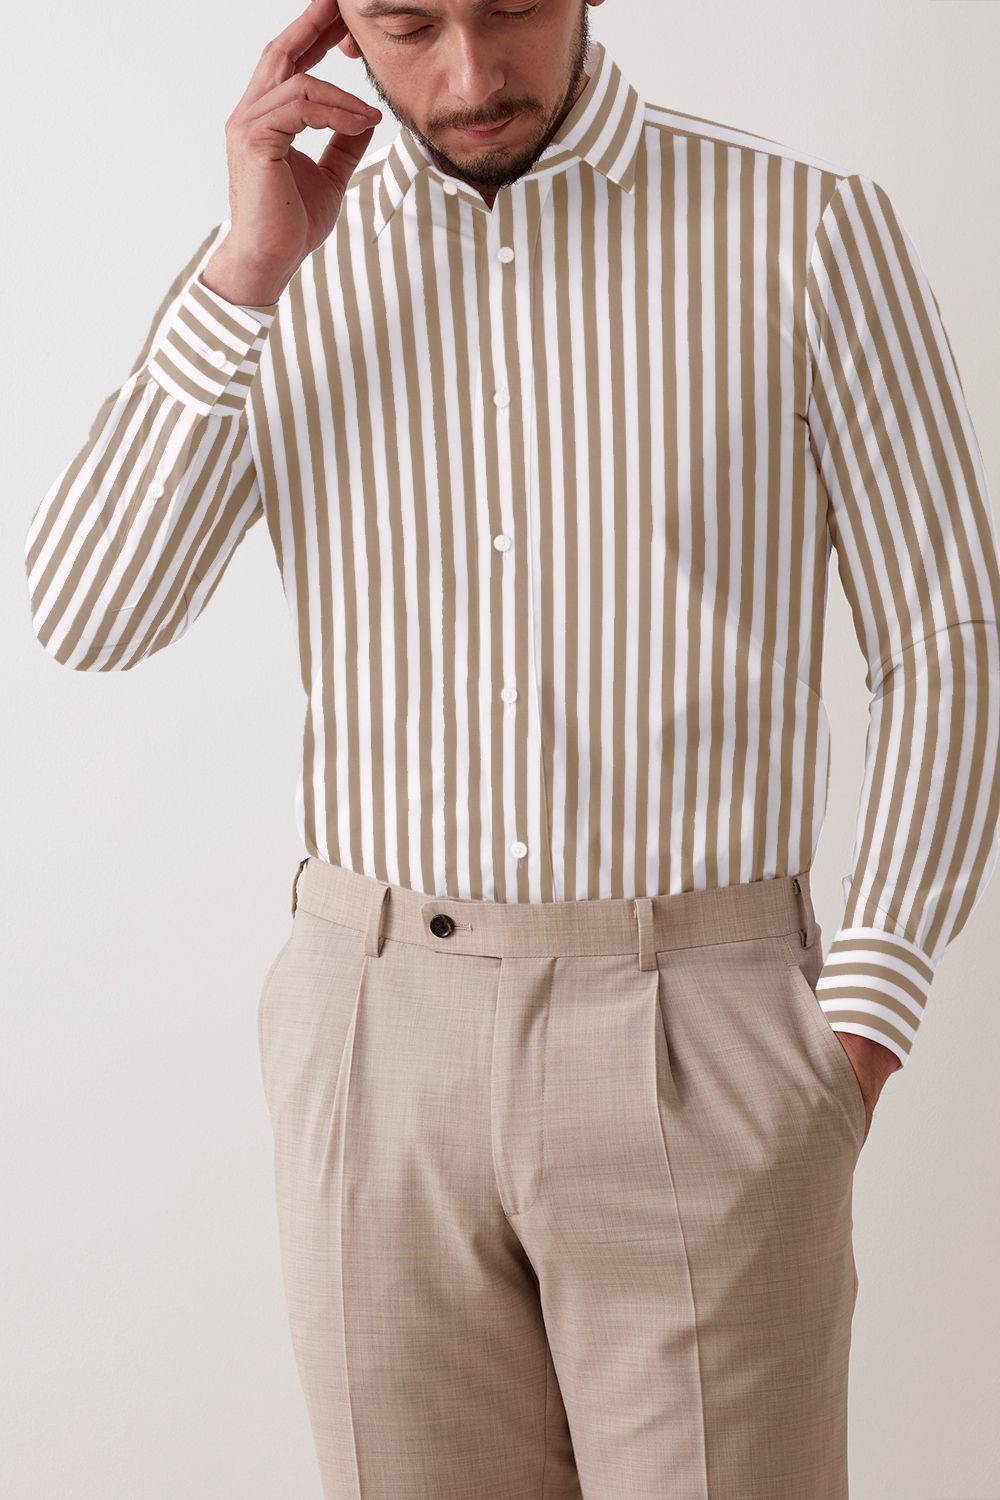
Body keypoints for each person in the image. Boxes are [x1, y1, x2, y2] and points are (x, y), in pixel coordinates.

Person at [25, 0, 1000, 1495]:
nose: (473, 75)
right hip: (374, 1040)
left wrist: (852, 1038)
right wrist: (247, 274)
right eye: (411, 24)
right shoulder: (276, 269)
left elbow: (947, 641)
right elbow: (90, 615)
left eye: (511, 9)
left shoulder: (804, 232)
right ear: (338, 24)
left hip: (704, 1029)